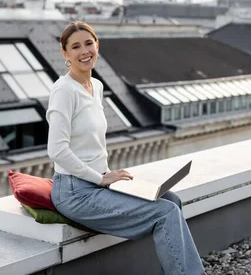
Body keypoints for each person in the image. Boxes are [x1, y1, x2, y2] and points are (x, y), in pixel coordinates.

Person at [47, 21, 204, 275]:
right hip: (75, 192)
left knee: (172, 200)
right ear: (65, 54)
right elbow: (57, 150)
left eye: (89, 43)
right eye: (75, 47)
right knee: (165, 213)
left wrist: (111, 177)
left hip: (98, 183)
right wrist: (100, 178)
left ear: (97, 44)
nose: (84, 50)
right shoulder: (63, 91)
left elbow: (90, 146)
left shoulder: (95, 86)